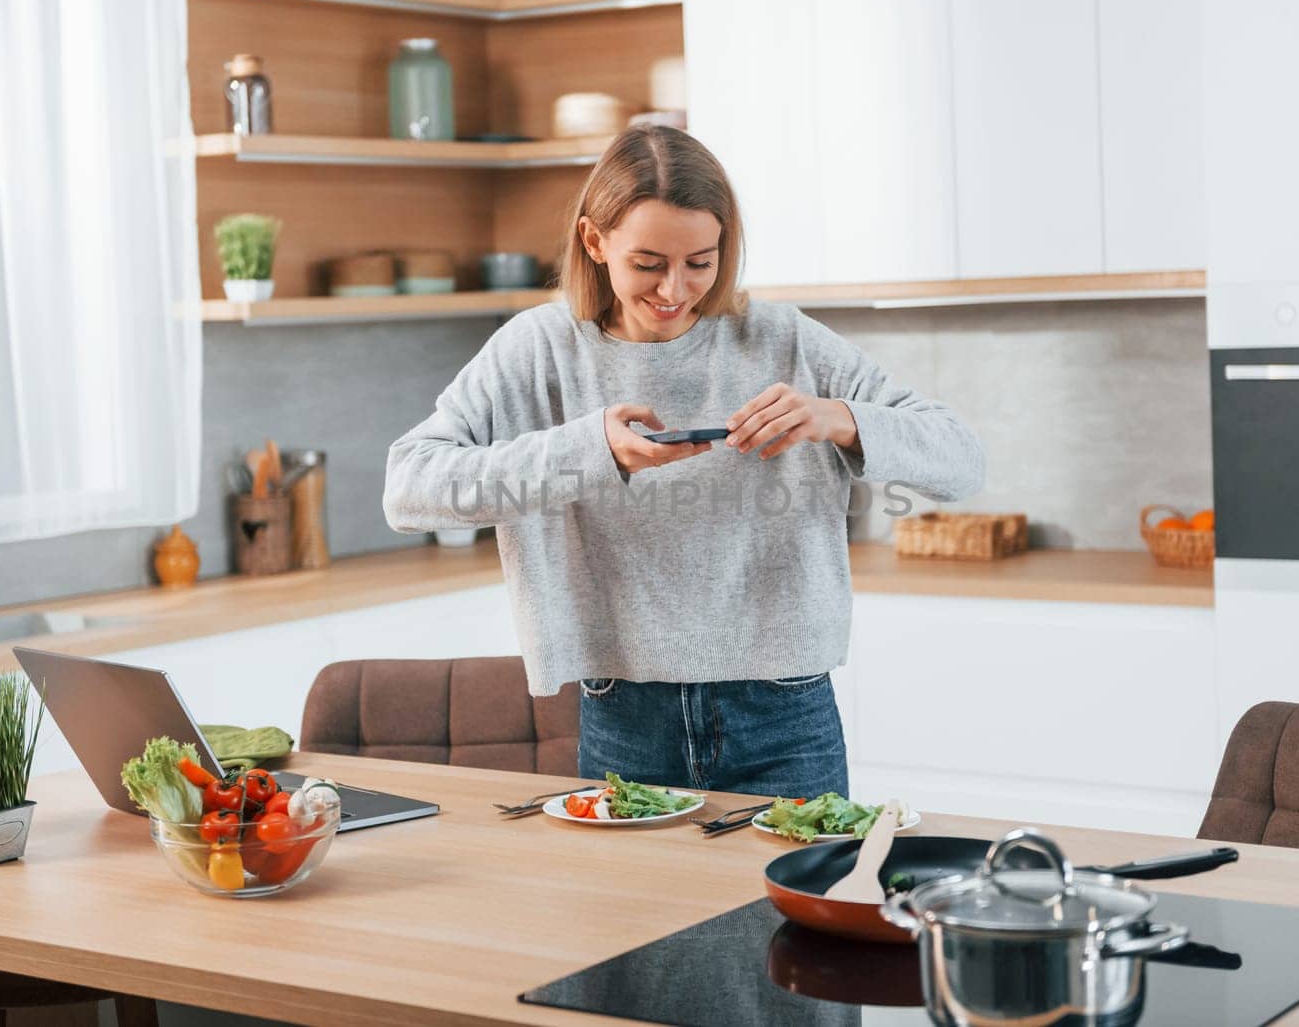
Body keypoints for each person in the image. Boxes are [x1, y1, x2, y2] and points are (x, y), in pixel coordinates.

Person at [384, 124, 984, 798]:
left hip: (785, 711)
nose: (676, 288)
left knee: (800, 906)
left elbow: (962, 459)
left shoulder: (783, 340)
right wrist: (591, 449)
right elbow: (409, 486)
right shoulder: (539, 349)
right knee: (638, 909)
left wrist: (837, 418)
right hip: (624, 715)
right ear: (594, 241)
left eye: (700, 261)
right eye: (648, 262)